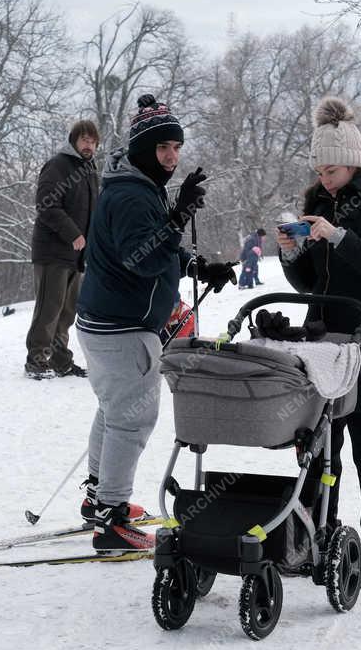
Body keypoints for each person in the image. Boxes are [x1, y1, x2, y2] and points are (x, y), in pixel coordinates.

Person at [75, 94, 236, 550]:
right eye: (164, 147)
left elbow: (156, 248)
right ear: (143, 149)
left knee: (112, 410)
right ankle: (112, 519)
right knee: (132, 419)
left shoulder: (137, 186)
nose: (172, 156)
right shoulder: (131, 195)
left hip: (105, 322)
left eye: (176, 147)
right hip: (123, 328)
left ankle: (97, 498)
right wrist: (179, 216)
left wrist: (195, 266)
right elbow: (140, 258)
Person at [278, 96, 361, 588]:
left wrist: (338, 238)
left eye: (330, 169)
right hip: (322, 340)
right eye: (318, 169)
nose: (324, 178)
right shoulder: (318, 203)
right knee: (314, 448)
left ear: (352, 162)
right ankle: (308, 539)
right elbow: (309, 284)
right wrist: (293, 254)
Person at [24, 120, 99, 380]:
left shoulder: (90, 170)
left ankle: (60, 360)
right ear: (74, 141)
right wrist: (73, 234)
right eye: (84, 140)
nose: (88, 145)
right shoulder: (58, 165)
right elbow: (46, 205)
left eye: (92, 141)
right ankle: (36, 360)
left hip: (76, 255)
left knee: (67, 311)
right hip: (52, 251)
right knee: (49, 308)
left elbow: (92, 211)